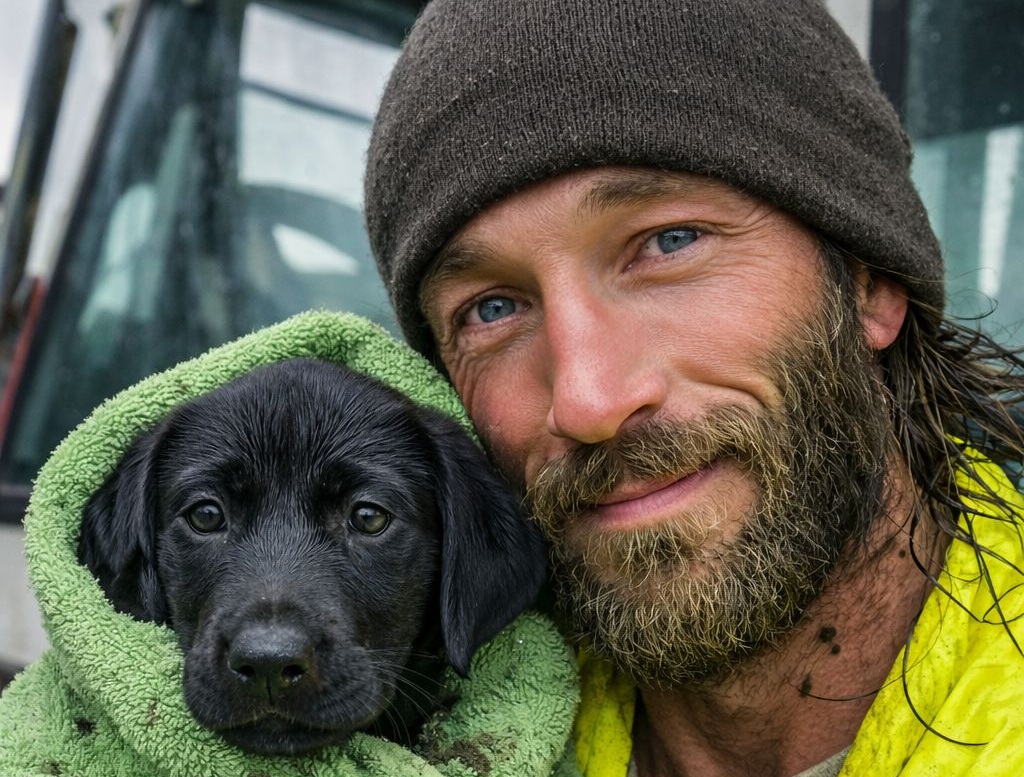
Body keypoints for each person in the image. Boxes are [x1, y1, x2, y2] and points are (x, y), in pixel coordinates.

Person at [363, 1, 1024, 776]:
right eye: (492, 309)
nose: (588, 399)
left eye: (668, 242)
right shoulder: (406, 728)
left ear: (869, 280)